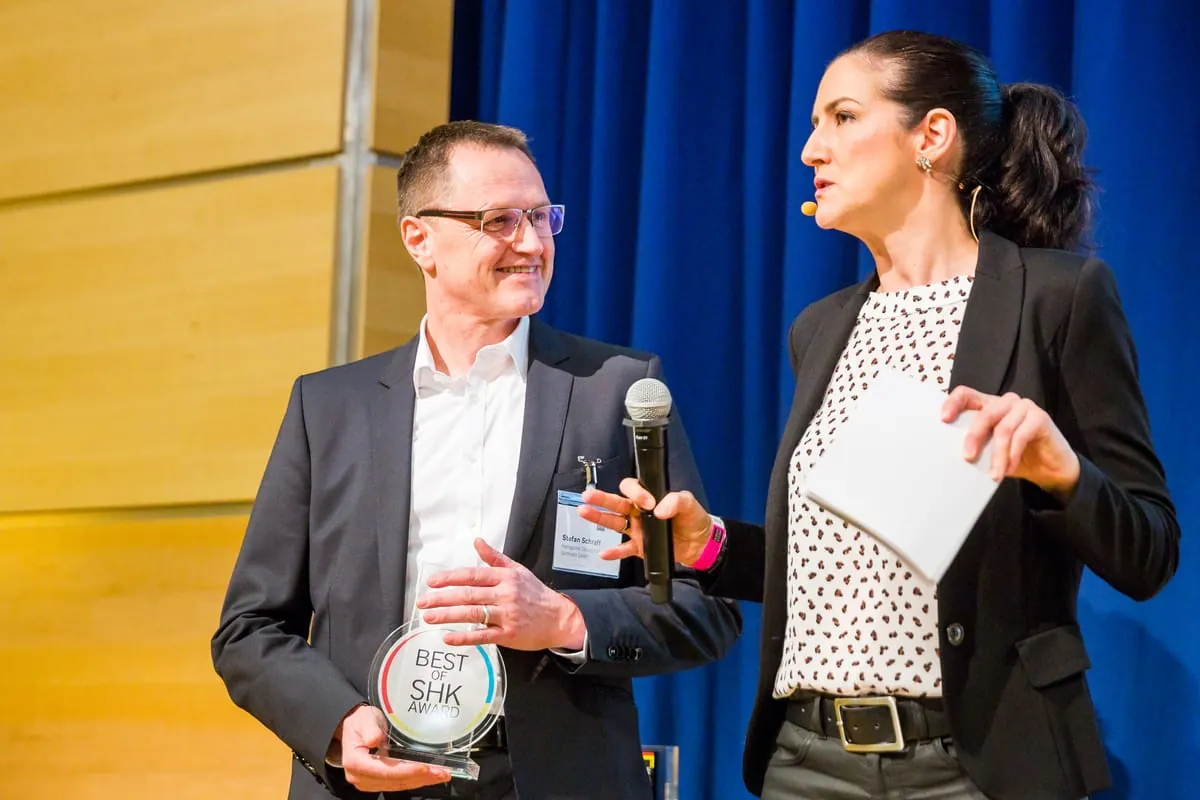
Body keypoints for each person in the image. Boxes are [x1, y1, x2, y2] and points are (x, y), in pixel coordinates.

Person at [580, 29, 1180, 800]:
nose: (811, 150)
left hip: (974, 766)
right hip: (808, 761)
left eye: (842, 117)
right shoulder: (822, 328)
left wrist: (1060, 472)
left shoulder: (1058, 299)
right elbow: (844, 568)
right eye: (814, 124)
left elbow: (1149, 552)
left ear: (932, 136)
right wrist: (710, 545)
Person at [211, 120, 742, 800]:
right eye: (499, 221)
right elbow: (249, 628)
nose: (533, 243)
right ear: (419, 239)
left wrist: (565, 620)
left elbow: (704, 610)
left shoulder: (616, 390)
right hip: (377, 781)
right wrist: (336, 725)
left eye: (542, 217)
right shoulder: (329, 408)